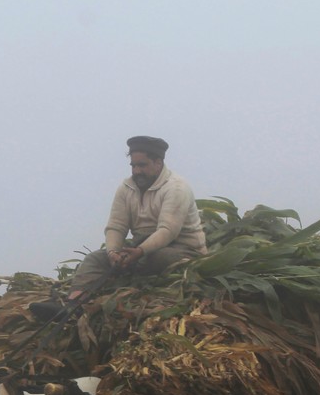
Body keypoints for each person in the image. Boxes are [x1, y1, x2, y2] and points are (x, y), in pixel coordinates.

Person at [31, 135, 207, 320]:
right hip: (140, 248)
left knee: (156, 257)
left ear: (158, 162)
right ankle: (73, 305)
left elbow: (167, 231)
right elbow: (116, 226)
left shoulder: (176, 188)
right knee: (94, 259)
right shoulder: (126, 188)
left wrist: (139, 251)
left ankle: (131, 283)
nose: (137, 171)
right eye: (133, 166)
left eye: (142, 165)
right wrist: (113, 252)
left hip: (182, 250)